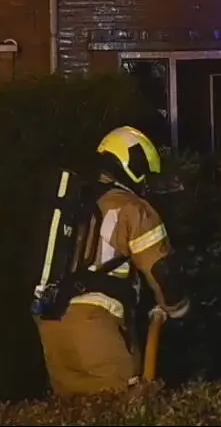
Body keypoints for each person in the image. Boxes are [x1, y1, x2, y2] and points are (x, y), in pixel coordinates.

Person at [33, 125, 190, 396]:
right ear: (133, 166)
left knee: (73, 411)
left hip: (51, 323)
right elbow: (164, 272)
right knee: (120, 407)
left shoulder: (73, 204)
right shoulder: (132, 208)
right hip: (95, 325)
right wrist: (178, 308)